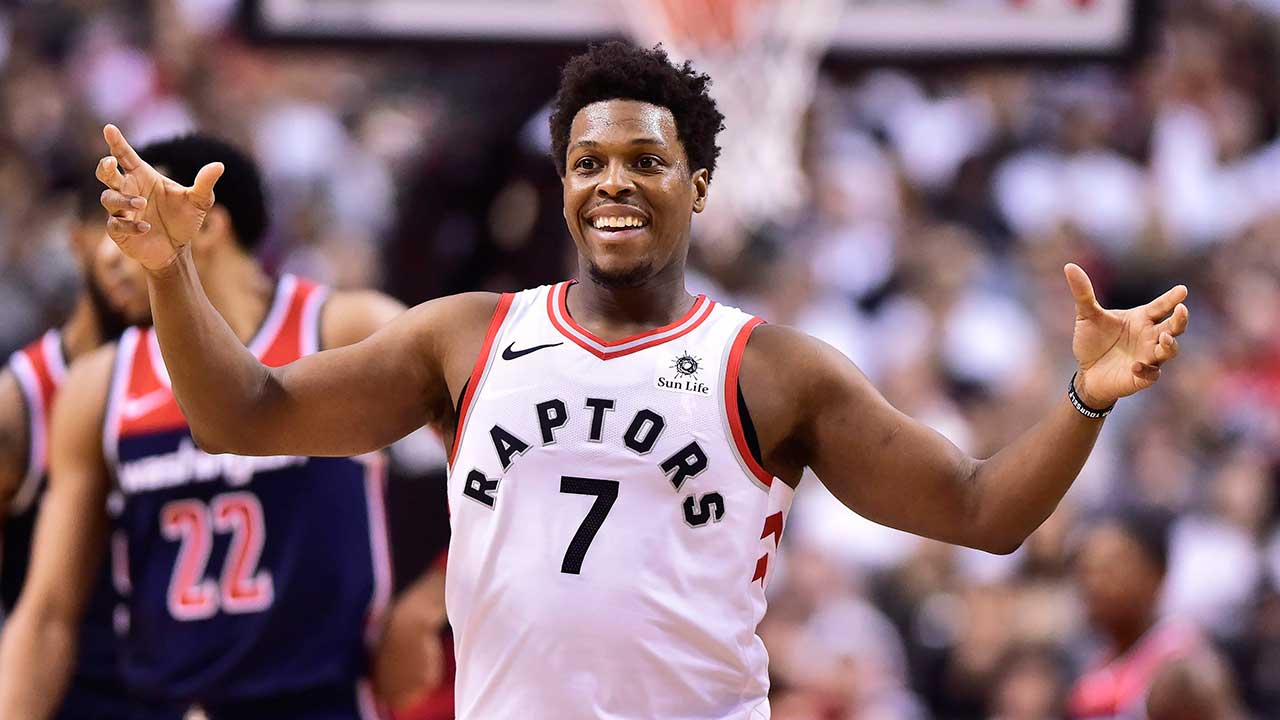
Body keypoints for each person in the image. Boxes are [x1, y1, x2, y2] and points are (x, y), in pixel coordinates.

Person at [94, 42, 1190, 719]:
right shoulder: (465, 338)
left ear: (699, 184)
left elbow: (982, 511)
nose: (612, 182)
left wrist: (1085, 396)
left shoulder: (771, 368)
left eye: (645, 161)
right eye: (589, 162)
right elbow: (241, 415)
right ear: (563, 185)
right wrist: (170, 273)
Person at [0, 134, 442, 719]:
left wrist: (427, 601)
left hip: (323, 699)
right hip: (175, 705)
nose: (108, 255)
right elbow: (47, 612)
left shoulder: (342, 327)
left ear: (206, 225)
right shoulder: (99, 384)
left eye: (134, 217)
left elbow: (494, 460)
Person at [0, 180, 152, 718]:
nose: (132, 255)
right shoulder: (18, 403)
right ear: (79, 239)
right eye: (117, 231)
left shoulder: (199, 391)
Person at [1069, 513, 1239, 719]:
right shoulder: (1094, 661)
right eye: (1087, 571)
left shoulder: (1182, 660)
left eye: (1110, 569)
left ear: (1157, 573)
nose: (1095, 584)